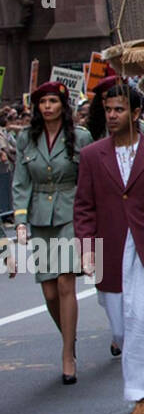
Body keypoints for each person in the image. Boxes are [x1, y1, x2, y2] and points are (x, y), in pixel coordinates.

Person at [73, 79, 144, 414]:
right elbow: (84, 206)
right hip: (110, 249)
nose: (112, 115)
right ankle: (141, 385)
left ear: (136, 113)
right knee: (121, 326)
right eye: (108, 110)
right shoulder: (91, 155)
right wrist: (87, 248)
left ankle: (143, 395)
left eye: (119, 109)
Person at [11, 81, 93, 383]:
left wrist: (91, 217)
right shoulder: (26, 139)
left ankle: (67, 354)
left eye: (52, 102)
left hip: (71, 211)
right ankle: (69, 338)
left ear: (63, 105)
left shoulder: (80, 137)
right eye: (42, 102)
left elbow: (89, 178)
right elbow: (21, 180)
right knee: (48, 291)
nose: (47, 107)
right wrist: (20, 220)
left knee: (64, 282)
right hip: (39, 215)